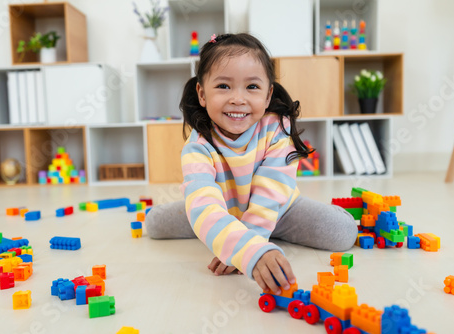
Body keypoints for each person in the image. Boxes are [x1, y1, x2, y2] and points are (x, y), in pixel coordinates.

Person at [146, 33, 358, 295]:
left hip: (280, 209)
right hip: (224, 208)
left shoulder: (278, 128)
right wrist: (246, 248)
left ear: (268, 95)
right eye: (223, 86)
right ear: (202, 93)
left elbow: (273, 191)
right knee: (157, 224)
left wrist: (249, 246)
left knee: (344, 231)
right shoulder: (197, 146)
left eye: (252, 87)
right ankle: (219, 227)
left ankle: (229, 231)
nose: (238, 98)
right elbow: (205, 205)